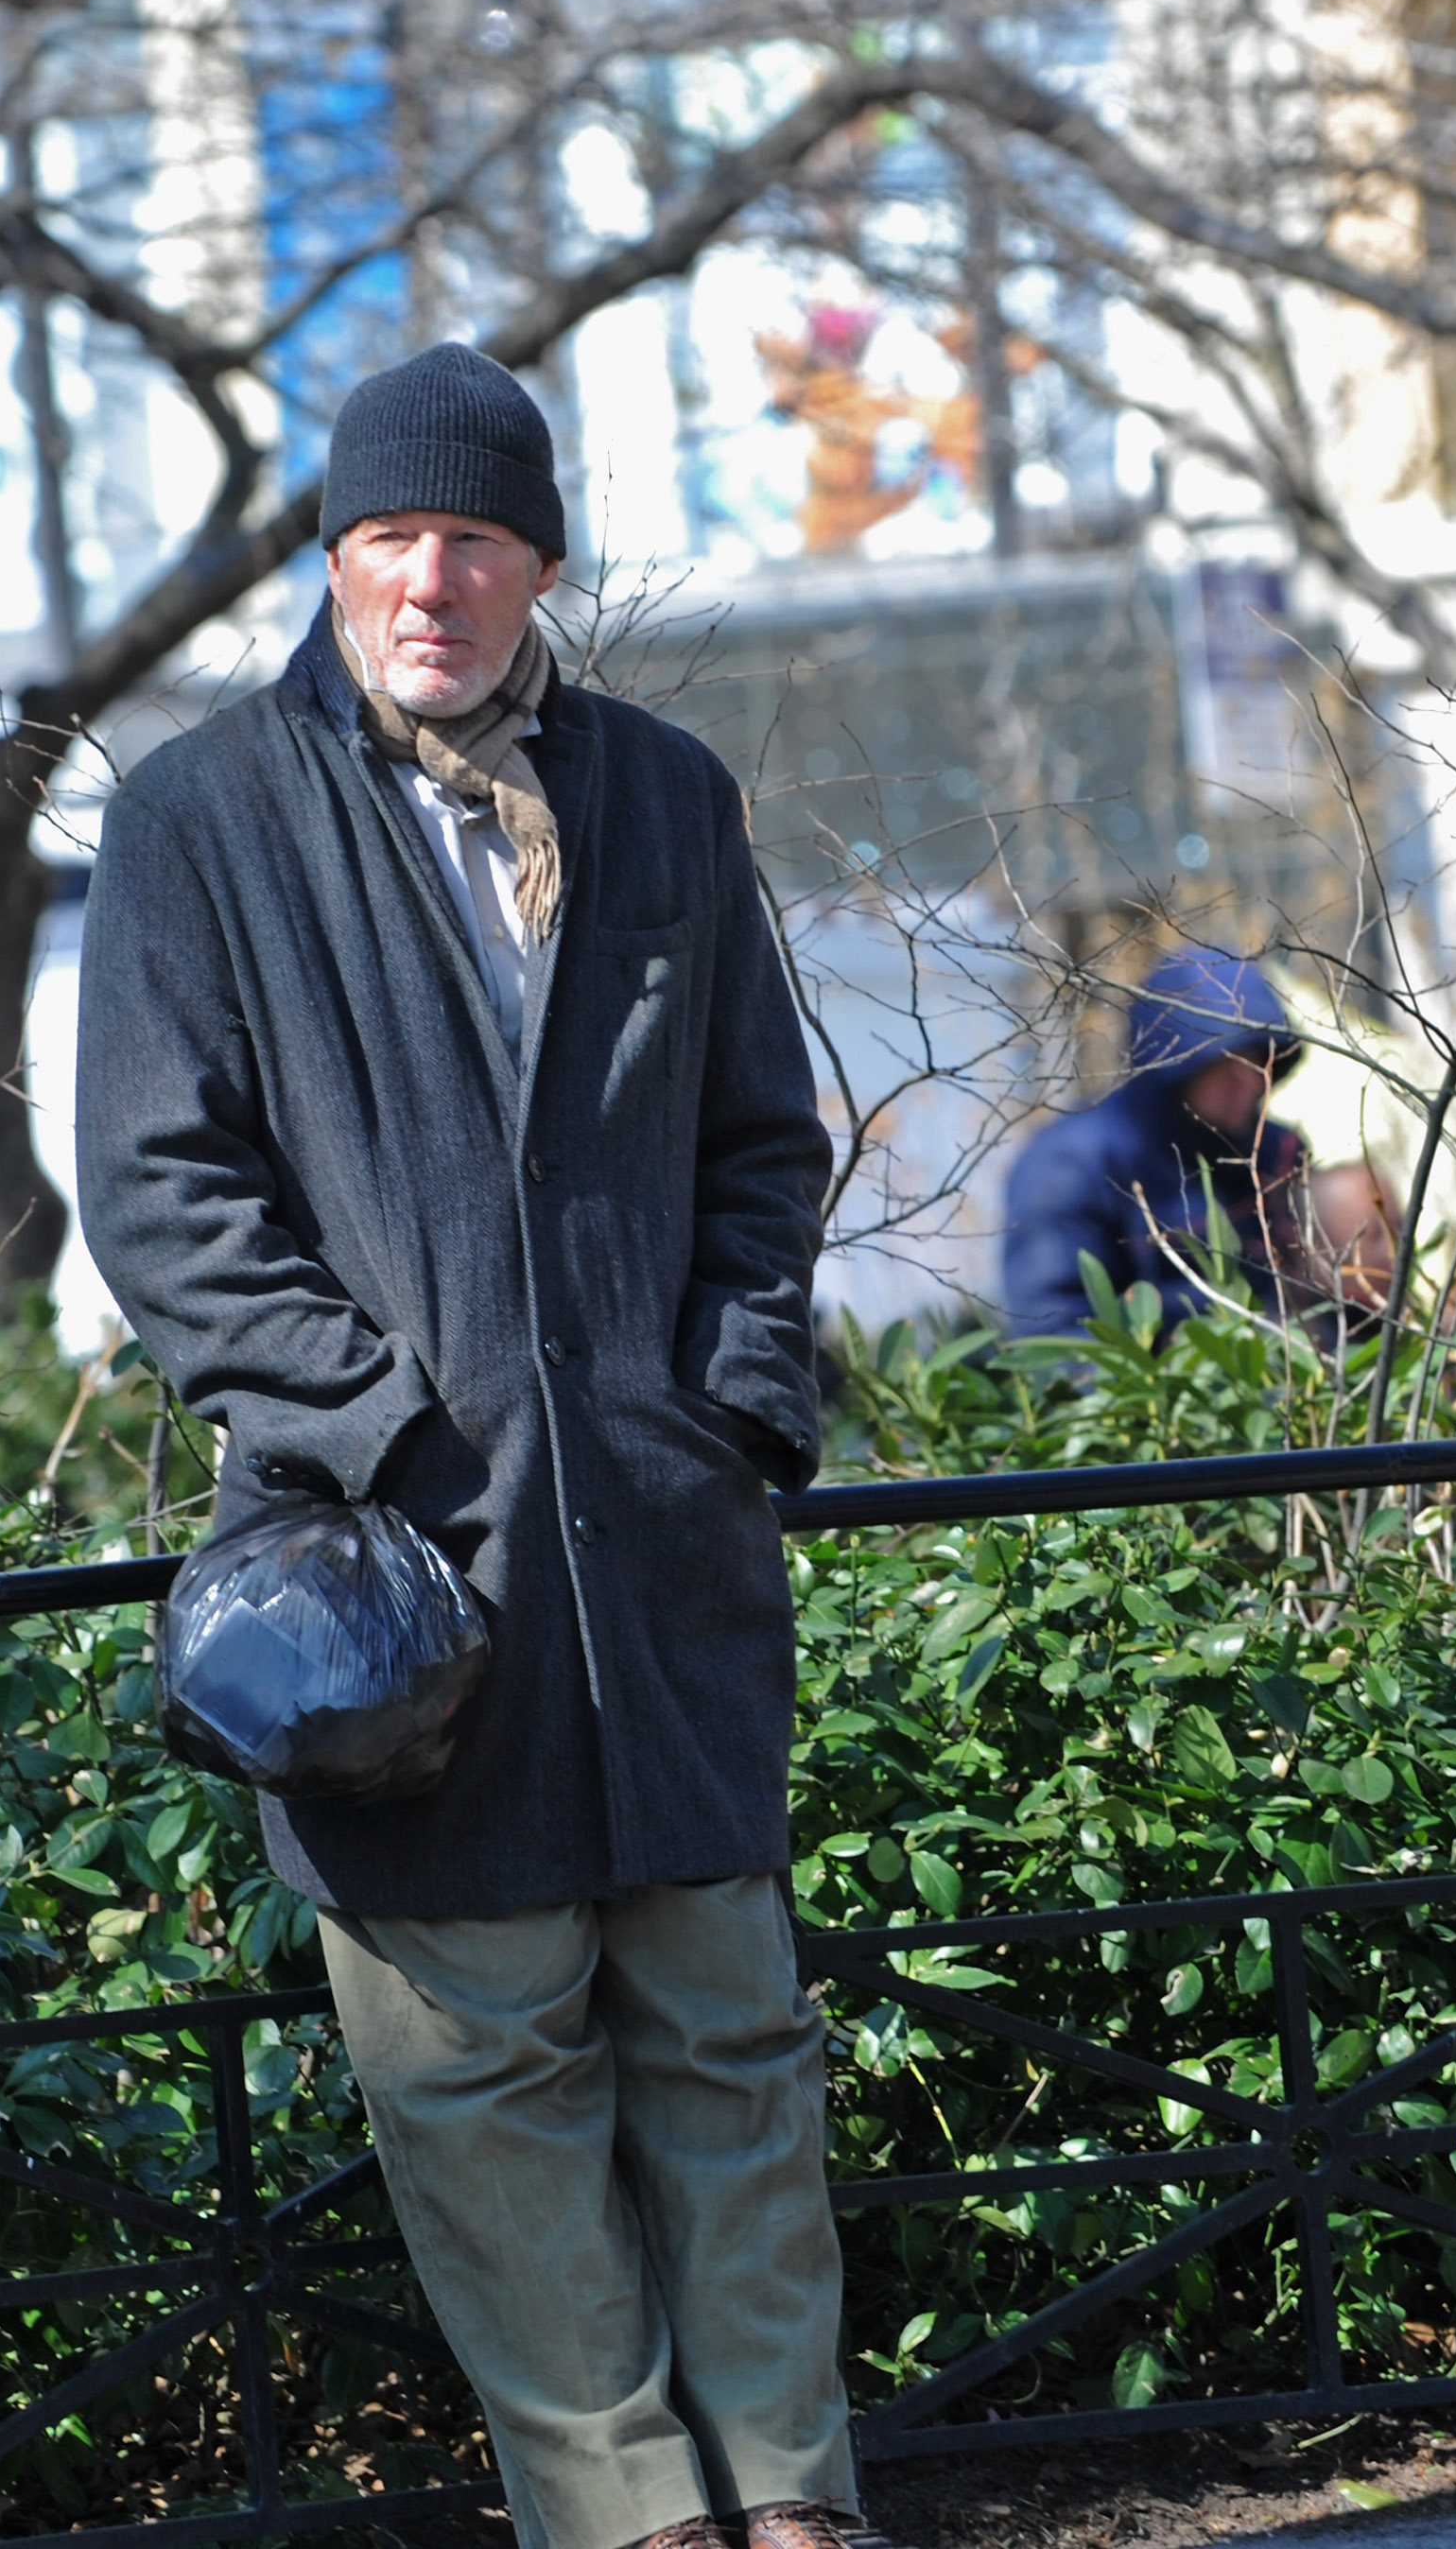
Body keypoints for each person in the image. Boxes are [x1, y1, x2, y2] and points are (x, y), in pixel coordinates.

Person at [76, 343, 870, 2549]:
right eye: (387, 535)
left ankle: (791, 2502)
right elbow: (161, 1193)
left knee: (730, 2044)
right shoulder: (200, 819)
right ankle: (634, 2515)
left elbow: (753, 1142)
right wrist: (380, 1429)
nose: (430, 577)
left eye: (475, 536)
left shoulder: (659, 795)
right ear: (334, 554)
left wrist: (725, 1402)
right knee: (482, 2075)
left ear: (537, 558)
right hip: (386, 1583)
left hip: (660, 1541)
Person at [1000, 945, 1397, 1342]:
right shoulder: (1072, 1164)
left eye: (1262, 1063)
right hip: (1150, 1390)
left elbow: (1322, 1293)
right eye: (1230, 1066)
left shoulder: (1275, 1152)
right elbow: (1054, 1330)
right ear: (1175, 1064)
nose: (1253, 1083)